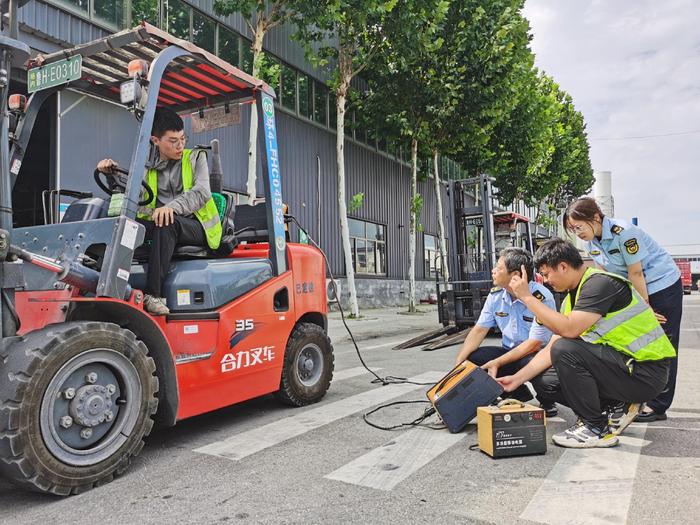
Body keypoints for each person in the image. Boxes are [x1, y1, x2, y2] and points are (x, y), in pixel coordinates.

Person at [497, 238, 675, 449]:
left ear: (562, 266)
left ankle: (594, 428)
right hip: (622, 367)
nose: (545, 280)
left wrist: (527, 297)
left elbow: (568, 331)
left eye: (546, 274)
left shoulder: (600, 284)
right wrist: (516, 379)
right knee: (546, 382)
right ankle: (618, 406)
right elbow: (552, 345)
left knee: (566, 349)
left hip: (645, 371)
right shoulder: (572, 297)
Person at [563, 197, 681, 423]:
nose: (577, 233)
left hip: (661, 285)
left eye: (579, 226)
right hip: (637, 290)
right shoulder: (592, 244)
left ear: (595, 218)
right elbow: (604, 276)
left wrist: (644, 311)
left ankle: (659, 405)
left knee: (663, 341)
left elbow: (636, 273)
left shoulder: (625, 233)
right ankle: (640, 393)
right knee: (634, 341)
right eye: (572, 229)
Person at [96, 107, 222, 315]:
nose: (180, 145)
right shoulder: (148, 167)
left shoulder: (196, 158)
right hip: (161, 227)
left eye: (182, 138)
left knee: (167, 222)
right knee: (125, 226)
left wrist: (171, 207)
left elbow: (202, 192)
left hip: (196, 227)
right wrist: (112, 176)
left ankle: (153, 295)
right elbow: (133, 197)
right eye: (173, 141)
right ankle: (106, 284)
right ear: (155, 140)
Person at [454, 247, 558, 415]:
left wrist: (498, 362)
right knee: (473, 358)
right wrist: (459, 365)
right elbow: (479, 330)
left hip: (534, 354)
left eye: (499, 268)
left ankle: (547, 400)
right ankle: (517, 392)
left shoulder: (541, 297)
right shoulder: (496, 296)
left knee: (545, 379)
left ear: (515, 274)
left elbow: (534, 344)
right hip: (509, 351)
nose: (493, 271)